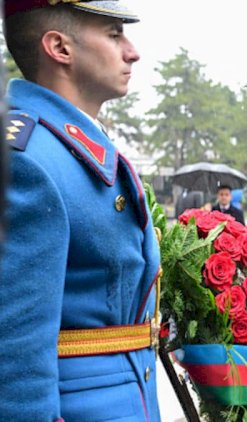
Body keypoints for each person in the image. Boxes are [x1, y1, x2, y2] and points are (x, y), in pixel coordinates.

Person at [0, 2, 161, 420]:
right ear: (59, 48)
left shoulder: (66, 148)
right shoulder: (25, 161)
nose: (132, 52)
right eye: (113, 34)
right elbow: (12, 358)